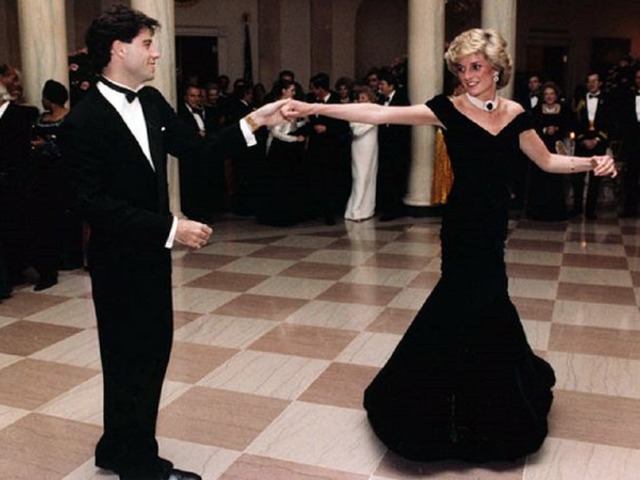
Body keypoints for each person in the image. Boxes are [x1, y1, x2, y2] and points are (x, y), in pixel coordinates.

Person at [284, 28, 616, 463]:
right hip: (462, 225)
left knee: (490, 301)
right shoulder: (447, 109)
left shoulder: (516, 114)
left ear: (496, 69)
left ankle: (494, 402)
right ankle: (434, 405)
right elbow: (379, 114)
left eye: (476, 66)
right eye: (461, 68)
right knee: (464, 301)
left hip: (494, 224)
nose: (468, 75)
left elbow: (549, 160)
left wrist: (592, 162)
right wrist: (313, 106)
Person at [60, 5, 285, 480]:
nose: (156, 53)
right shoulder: (83, 120)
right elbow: (91, 203)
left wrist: (255, 121)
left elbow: (199, 151)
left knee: (148, 352)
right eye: (147, 43)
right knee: (131, 357)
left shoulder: (152, 101)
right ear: (118, 49)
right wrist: (170, 228)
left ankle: (116, 447)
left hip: (150, 257)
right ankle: (140, 465)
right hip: (118, 260)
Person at [28, 80, 71, 291]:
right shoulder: (40, 118)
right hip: (40, 176)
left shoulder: (69, 119)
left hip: (61, 175)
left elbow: (70, 147)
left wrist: (47, 146)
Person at [257, 79, 309, 226]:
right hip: (279, 148)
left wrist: (304, 121)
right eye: (291, 90)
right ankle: (277, 216)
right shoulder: (275, 107)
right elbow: (276, 132)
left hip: (288, 149)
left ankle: (289, 214)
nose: (294, 93)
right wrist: (294, 139)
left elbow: (290, 126)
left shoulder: (290, 106)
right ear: (283, 91)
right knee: (279, 182)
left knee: (288, 182)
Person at [305, 72, 351, 225]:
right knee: (316, 179)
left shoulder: (336, 101)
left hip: (331, 148)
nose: (312, 91)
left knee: (331, 180)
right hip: (315, 146)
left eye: (314, 88)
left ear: (321, 89)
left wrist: (327, 129)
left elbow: (344, 126)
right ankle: (317, 209)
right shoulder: (311, 100)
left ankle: (331, 212)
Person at [527, 81, 571, 221]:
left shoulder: (564, 109)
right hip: (540, 147)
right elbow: (531, 127)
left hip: (557, 148)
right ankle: (538, 212)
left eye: (552, 94)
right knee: (540, 178)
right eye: (546, 94)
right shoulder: (536, 110)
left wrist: (558, 129)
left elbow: (569, 126)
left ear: (556, 95)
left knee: (555, 180)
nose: (549, 97)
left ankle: (555, 212)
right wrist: (545, 130)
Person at [570, 71, 611, 219]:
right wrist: (582, 139)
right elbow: (573, 122)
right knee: (578, 178)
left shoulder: (607, 101)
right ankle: (577, 208)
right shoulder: (579, 100)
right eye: (589, 81)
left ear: (600, 83)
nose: (591, 84)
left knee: (595, 178)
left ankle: (590, 210)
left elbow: (610, 122)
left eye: (594, 81)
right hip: (582, 144)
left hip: (599, 144)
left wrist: (597, 140)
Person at [377, 70, 411, 221]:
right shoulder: (380, 100)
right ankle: (387, 206)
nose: (380, 87)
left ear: (391, 86)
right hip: (385, 144)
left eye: (382, 84)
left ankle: (395, 208)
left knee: (396, 176)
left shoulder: (402, 99)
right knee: (386, 176)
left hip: (398, 145)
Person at [344, 86, 378, 222]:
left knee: (370, 176)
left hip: (371, 145)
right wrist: (372, 123)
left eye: (364, 97)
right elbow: (356, 130)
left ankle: (367, 209)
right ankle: (355, 210)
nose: (361, 100)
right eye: (360, 98)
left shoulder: (375, 110)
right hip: (359, 146)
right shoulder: (355, 111)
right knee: (360, 176)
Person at [618, 66, 640, 218]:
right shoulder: (628, 97)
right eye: (638, 78)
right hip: (633, 143)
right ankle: (630, 209)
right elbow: (624, 121)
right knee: (631, 177)